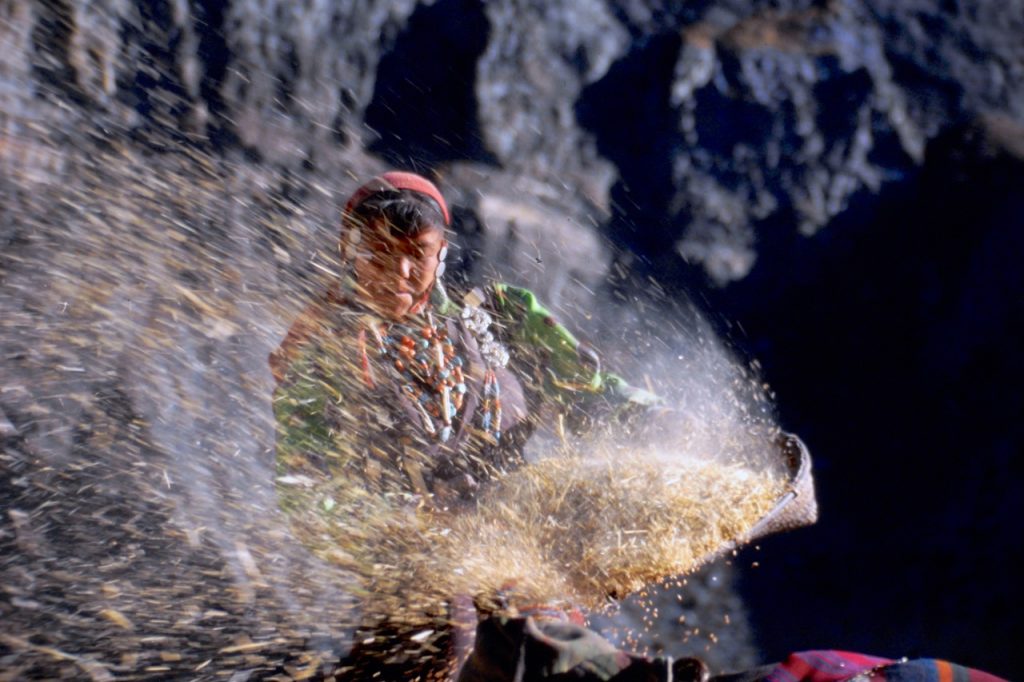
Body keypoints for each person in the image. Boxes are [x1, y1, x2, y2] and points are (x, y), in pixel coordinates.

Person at [270, 170, 658, 678]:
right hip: (418, 598)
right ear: (348, 249)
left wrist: (657, 421)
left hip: (525, 572)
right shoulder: (322, 360)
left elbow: (591, 395)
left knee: (547, 653)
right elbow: (307, 490)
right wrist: (405, 532)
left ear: (442, 252)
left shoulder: (503, 318)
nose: (400, 271)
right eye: (379, 252)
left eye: (418, 252)